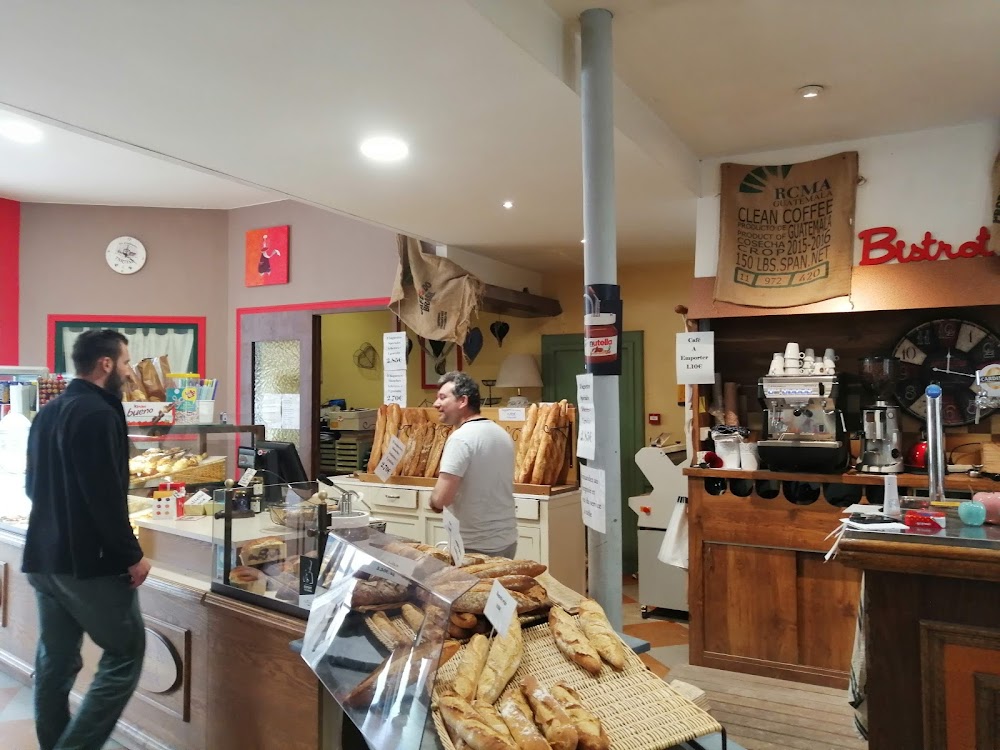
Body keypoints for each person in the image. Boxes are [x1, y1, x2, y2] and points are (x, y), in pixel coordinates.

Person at [22, 329, 151, 750]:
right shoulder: (99, 413)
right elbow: (105, 497)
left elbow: (31, 487)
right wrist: (132, 555)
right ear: (106, 364)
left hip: (43, 557)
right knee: (125, 654)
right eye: (127, 362)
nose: (130, 372)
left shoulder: (49, 411)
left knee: (55, 662)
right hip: (87, 563)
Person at [428, 371, 518, 558]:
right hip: (507, 540)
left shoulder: (461, 439)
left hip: (473, 546)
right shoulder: (502, 434)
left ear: (462, 401)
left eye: (443, 398)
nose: (436, 404)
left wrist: (433, 500)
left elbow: (441, 500)